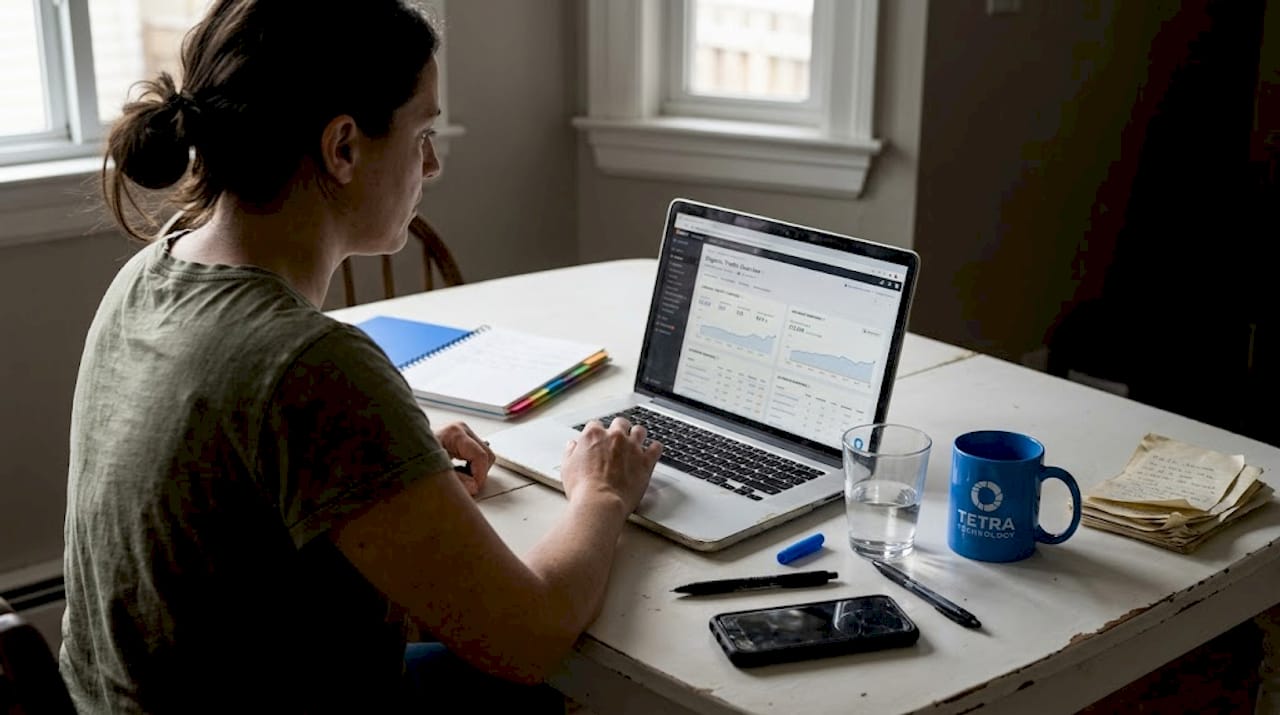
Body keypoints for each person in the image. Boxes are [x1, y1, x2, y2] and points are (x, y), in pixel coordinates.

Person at [59, 1, 661, 712]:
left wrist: (382, 468)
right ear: (343, 146)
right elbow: (527, 638)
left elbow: (225, 491)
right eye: (423, 132)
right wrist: (604, 493)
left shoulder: (148, 275)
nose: (431, 163)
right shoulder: (310, 365)